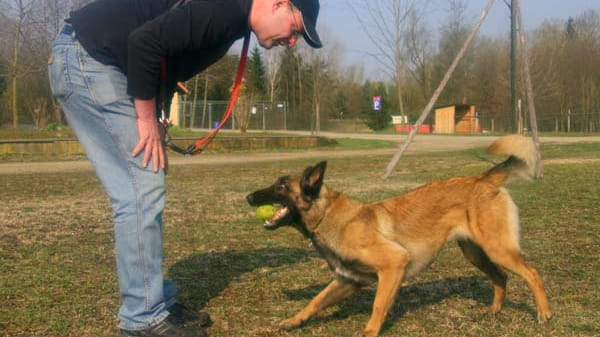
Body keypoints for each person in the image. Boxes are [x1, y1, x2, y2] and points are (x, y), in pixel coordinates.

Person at [47, 0, 322, 336]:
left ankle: (152, 301)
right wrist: (145, 118)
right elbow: (144, 43)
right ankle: (142, 318)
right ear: (278, 2)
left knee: (145, 181)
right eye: (296, 28)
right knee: (140, 189)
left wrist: (157, 113)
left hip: (100, 59)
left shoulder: (232, 20)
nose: (293, 41)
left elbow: (162, 55)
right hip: (89, 59)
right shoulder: (225, 9)